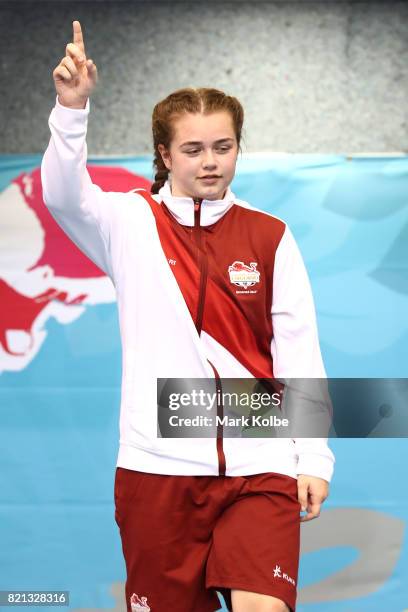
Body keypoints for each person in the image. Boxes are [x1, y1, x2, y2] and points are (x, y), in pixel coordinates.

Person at [41, 20, 335, 612]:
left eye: (223, 147)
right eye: (193, 149)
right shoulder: (127, 222)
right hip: (158, 470)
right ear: (164, 153)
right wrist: (71, 111)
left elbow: (298, 351)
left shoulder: (270, 236)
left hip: (262, 464)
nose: (210, 162)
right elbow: (63, 196)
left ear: (238, 149)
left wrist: (314, 457)